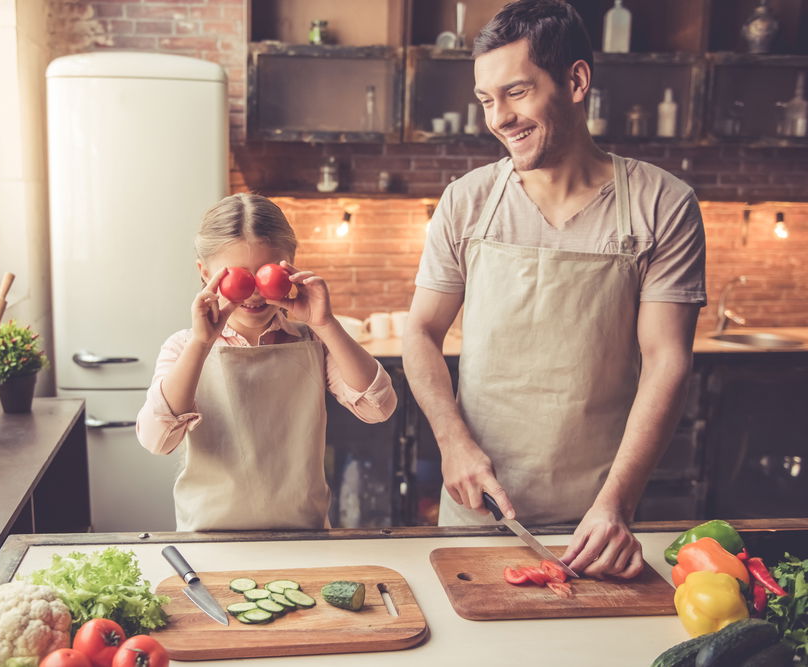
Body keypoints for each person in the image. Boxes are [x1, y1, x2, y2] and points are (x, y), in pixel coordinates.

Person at [403, 0, 706, 579]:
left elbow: (667, 359)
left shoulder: (663, 203)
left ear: (576, 81)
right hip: (479, 505)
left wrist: (616, 503)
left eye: (516, 92)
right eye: (486, 100)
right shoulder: (466, 201)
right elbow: (420, 331)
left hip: (599, 518)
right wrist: (452, 442)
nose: (499, 118)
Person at [136, 193, 397, 531]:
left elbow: (378, 408)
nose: (255, 292)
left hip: (303, 533)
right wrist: (201, 344)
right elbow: (158, 440)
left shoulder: (313, 341)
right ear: (205, 273)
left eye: (266, 274)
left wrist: (325, 324)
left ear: (291, 266)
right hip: (207, 537)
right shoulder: (183, 347)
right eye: (237, 277)